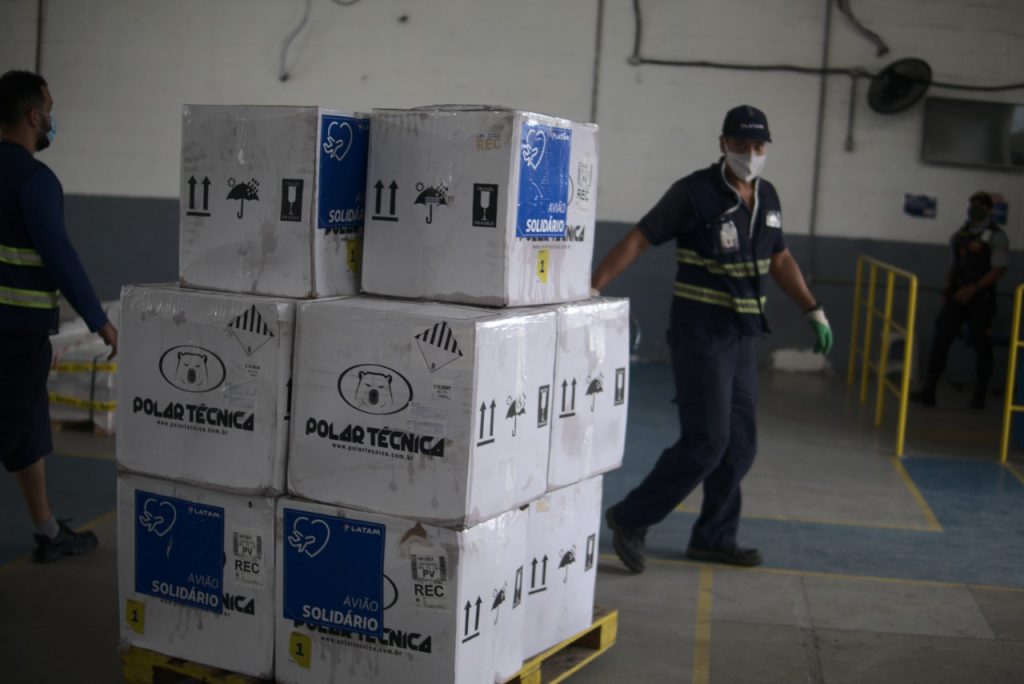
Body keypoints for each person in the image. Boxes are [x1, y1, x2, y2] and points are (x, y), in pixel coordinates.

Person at [597, 105, 831, 572]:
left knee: (740, 445)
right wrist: (592, 286)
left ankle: (714, 537)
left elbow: (780, 259)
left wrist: (813, 309)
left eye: (758, 146)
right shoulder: (693, 192)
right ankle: (631, 517)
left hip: (742, 336)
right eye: (741, 145)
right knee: (708, 440)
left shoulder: (768, 197)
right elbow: (640, 238)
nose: (751, 154)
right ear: (723, 143)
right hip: (700, 335)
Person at [1, 70, 117, 563]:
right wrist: (100, 322)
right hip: (16, 334)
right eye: (49, 110)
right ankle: (48, 534)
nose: (52, 119)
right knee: (24, 428)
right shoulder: (35, 180)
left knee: (25, 428)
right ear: (34, 117)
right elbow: (61, 259)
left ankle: (48, 530)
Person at [910, 192, 1009, 410]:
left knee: (981, 344)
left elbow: (999, 270)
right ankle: (929, 391)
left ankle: (979, 395)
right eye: (972, 204)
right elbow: (954, 263)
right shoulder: (962, 233)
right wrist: (948, 288)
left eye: (980, 205)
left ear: (989, 209)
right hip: (956, 296)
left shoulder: (996, 236)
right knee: (941, 338)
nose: (974, 208)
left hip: (980, 298)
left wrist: (974, 288)